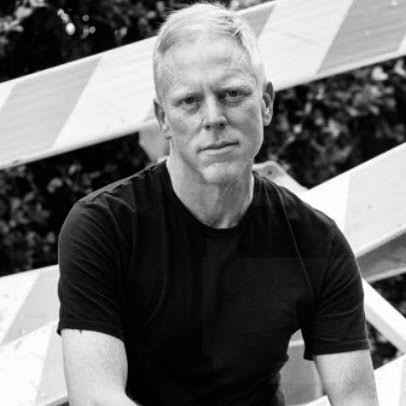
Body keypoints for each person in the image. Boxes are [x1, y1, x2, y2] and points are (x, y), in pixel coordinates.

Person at [57, 3, 379, 405]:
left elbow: (356, 397)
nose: (213, 118)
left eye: (232, 94)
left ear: (266, 102)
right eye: (189, 101)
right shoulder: (103, 226)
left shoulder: (317, 241)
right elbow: (95, 396)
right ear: (163, 118)